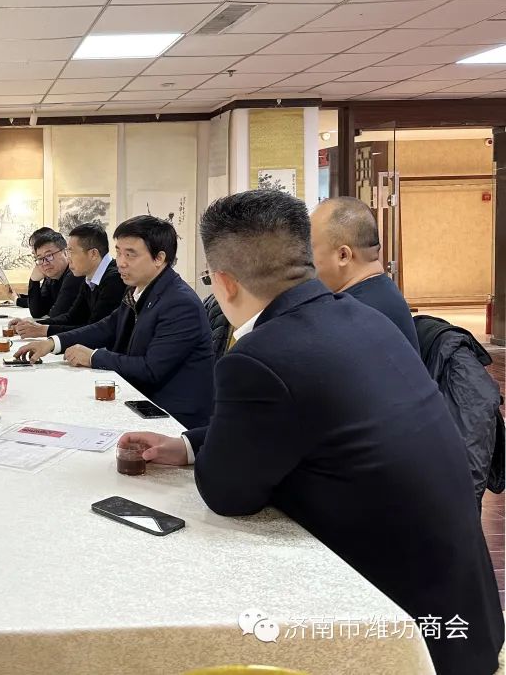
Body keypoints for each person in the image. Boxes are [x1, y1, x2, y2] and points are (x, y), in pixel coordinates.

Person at [122, 190, 503, 675]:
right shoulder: (366, 317)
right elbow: (303, 423)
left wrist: (207, 455)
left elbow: (226, 493)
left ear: (225, 282)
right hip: (462, 614)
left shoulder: (261, 355)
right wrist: (189, 445)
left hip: (393, 633)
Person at [15, 216, 214, 429]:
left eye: (130, 254)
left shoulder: (179, 302)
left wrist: (93, 356)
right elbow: (107, 327)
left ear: (159, 258)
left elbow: (151, 369)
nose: (121, 262)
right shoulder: (138, 289)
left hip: (172, 418)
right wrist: (52, 343)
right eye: (118, 253)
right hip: (141, 399)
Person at [310, 196, 418, 350]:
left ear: (343, 256)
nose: (304, 258)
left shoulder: (352, 316)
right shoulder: (384, 293)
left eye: (309, 248)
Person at [12, 223, 123, 338]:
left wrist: (44, 330)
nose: (68, 258)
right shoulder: (89, 278)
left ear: (93, 254)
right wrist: (34, 325)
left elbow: (96, 331)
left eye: (71, 252)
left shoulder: (114, 279)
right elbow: (72, 317)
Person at [8, 228, 84, 322]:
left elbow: (56, 315)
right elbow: (37, 311)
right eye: (40, 258)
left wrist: (29, 324)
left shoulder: (74, 275)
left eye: (49, 256)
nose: (45, 263)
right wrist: (34, 281)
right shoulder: (52, 278)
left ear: (65, 253)